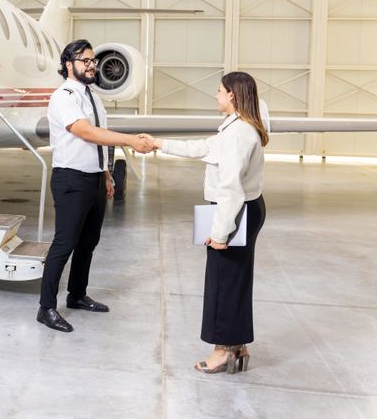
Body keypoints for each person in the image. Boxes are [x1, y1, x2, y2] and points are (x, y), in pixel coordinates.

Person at [142, 71, 268, 373]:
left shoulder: (239, 134)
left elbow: (231, 190)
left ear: (232, 96)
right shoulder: (236, 127)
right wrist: (159, 142)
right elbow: (202, 147)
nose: (216, 95)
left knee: (222, 283)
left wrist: (221, 233)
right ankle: (237, 345)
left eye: (220, 90)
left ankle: (222, 350)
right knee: (235, 282)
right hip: (243, 209)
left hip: (234, 212)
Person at [38, 39, 154, 333]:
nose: (92, 65)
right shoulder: (63, 96)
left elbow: (98, 139)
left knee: (88, 243)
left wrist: (105, 174)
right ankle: (46, 308)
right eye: (85, 60)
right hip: (71, 179)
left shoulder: (92, 96)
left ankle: (76, 295)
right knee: (64, 244)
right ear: (69, 65)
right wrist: (130, 140)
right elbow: (86, 132)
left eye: (92, 60)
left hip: (93, 178)